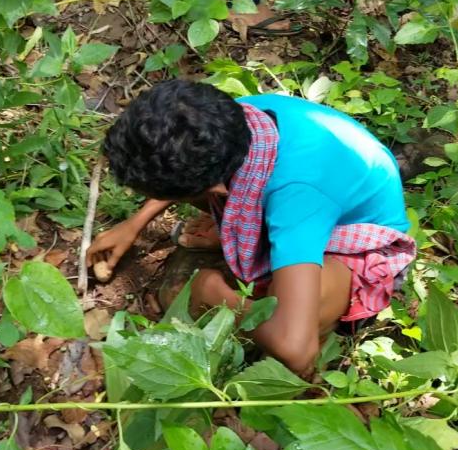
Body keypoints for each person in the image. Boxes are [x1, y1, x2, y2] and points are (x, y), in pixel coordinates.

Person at [87, 80, 415, 375]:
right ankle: (250, 248)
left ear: (219, 190)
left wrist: (214, 295)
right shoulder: (234, 119)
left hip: (356, 240)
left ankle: (321, 333)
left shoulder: (296, 199)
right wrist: (135, 224)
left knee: (290, 315)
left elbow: (296, 350)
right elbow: (182, 159)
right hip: (321, 195)